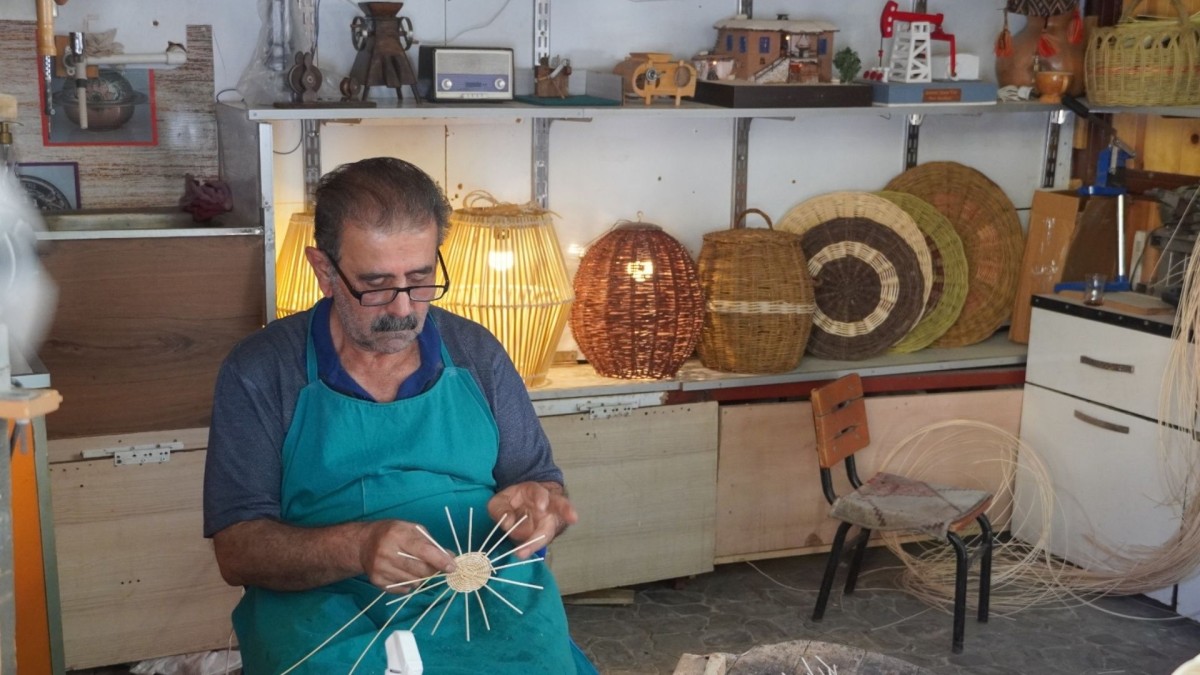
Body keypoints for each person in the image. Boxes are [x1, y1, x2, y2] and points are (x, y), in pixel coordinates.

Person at [203, 157, 594, 674]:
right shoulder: (263, 369)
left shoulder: (476, 353)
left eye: (420, 277)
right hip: (325, 607)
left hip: (483, 600)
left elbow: (541, 484)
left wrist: (543, 507)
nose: (405, 308)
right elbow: (237, 552)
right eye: (377, 284)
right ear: (324, 271)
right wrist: (357, 547)